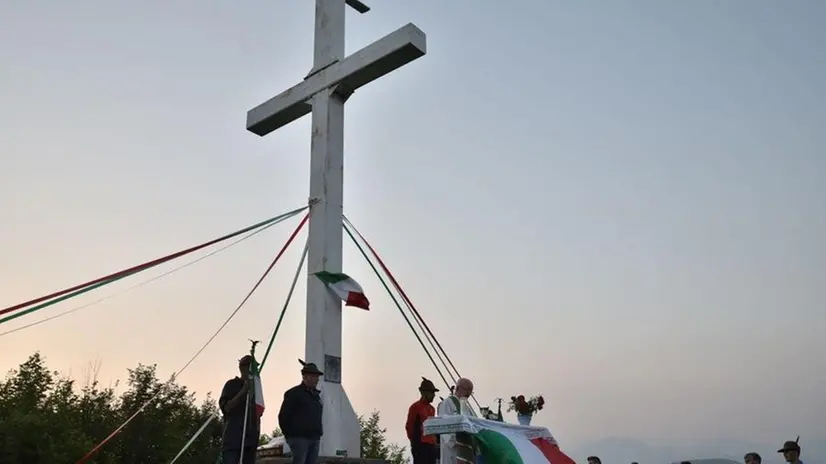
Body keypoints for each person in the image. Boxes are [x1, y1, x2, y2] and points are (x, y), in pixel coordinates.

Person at [279, 360, 324, 464]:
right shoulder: (293, 394)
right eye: (314, 376)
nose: (316, 379)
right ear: (305, 377)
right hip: (299, 438)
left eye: (317, 377)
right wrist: (290, 436)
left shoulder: (316, 396)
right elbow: (283, 417)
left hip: (314, 438)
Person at [219, 355, 260, 464]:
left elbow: (258, 414)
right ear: (243, 368)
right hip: (233, 440)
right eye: (252, 369)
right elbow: (226, 408)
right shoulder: (231, 385)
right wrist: (243, 391)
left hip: (250, 442)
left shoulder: (256, 389)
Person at [437, 377, 476, 464]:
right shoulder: (447, 403)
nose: (469, 393)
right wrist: (458, 440)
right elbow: (444, 427)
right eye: (467, 390)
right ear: (457, 388)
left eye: (471, 391)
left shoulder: (467, 409)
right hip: (452, 450)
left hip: (466, 452)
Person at [407, 377, 439, 464]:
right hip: (420, 444)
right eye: (431, 392)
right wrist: (414, 443)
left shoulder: (432, 409)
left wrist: (435, 441)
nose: (434, 395)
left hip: (431, 445)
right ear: (424, 392)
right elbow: (409, 426)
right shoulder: (415, 407)